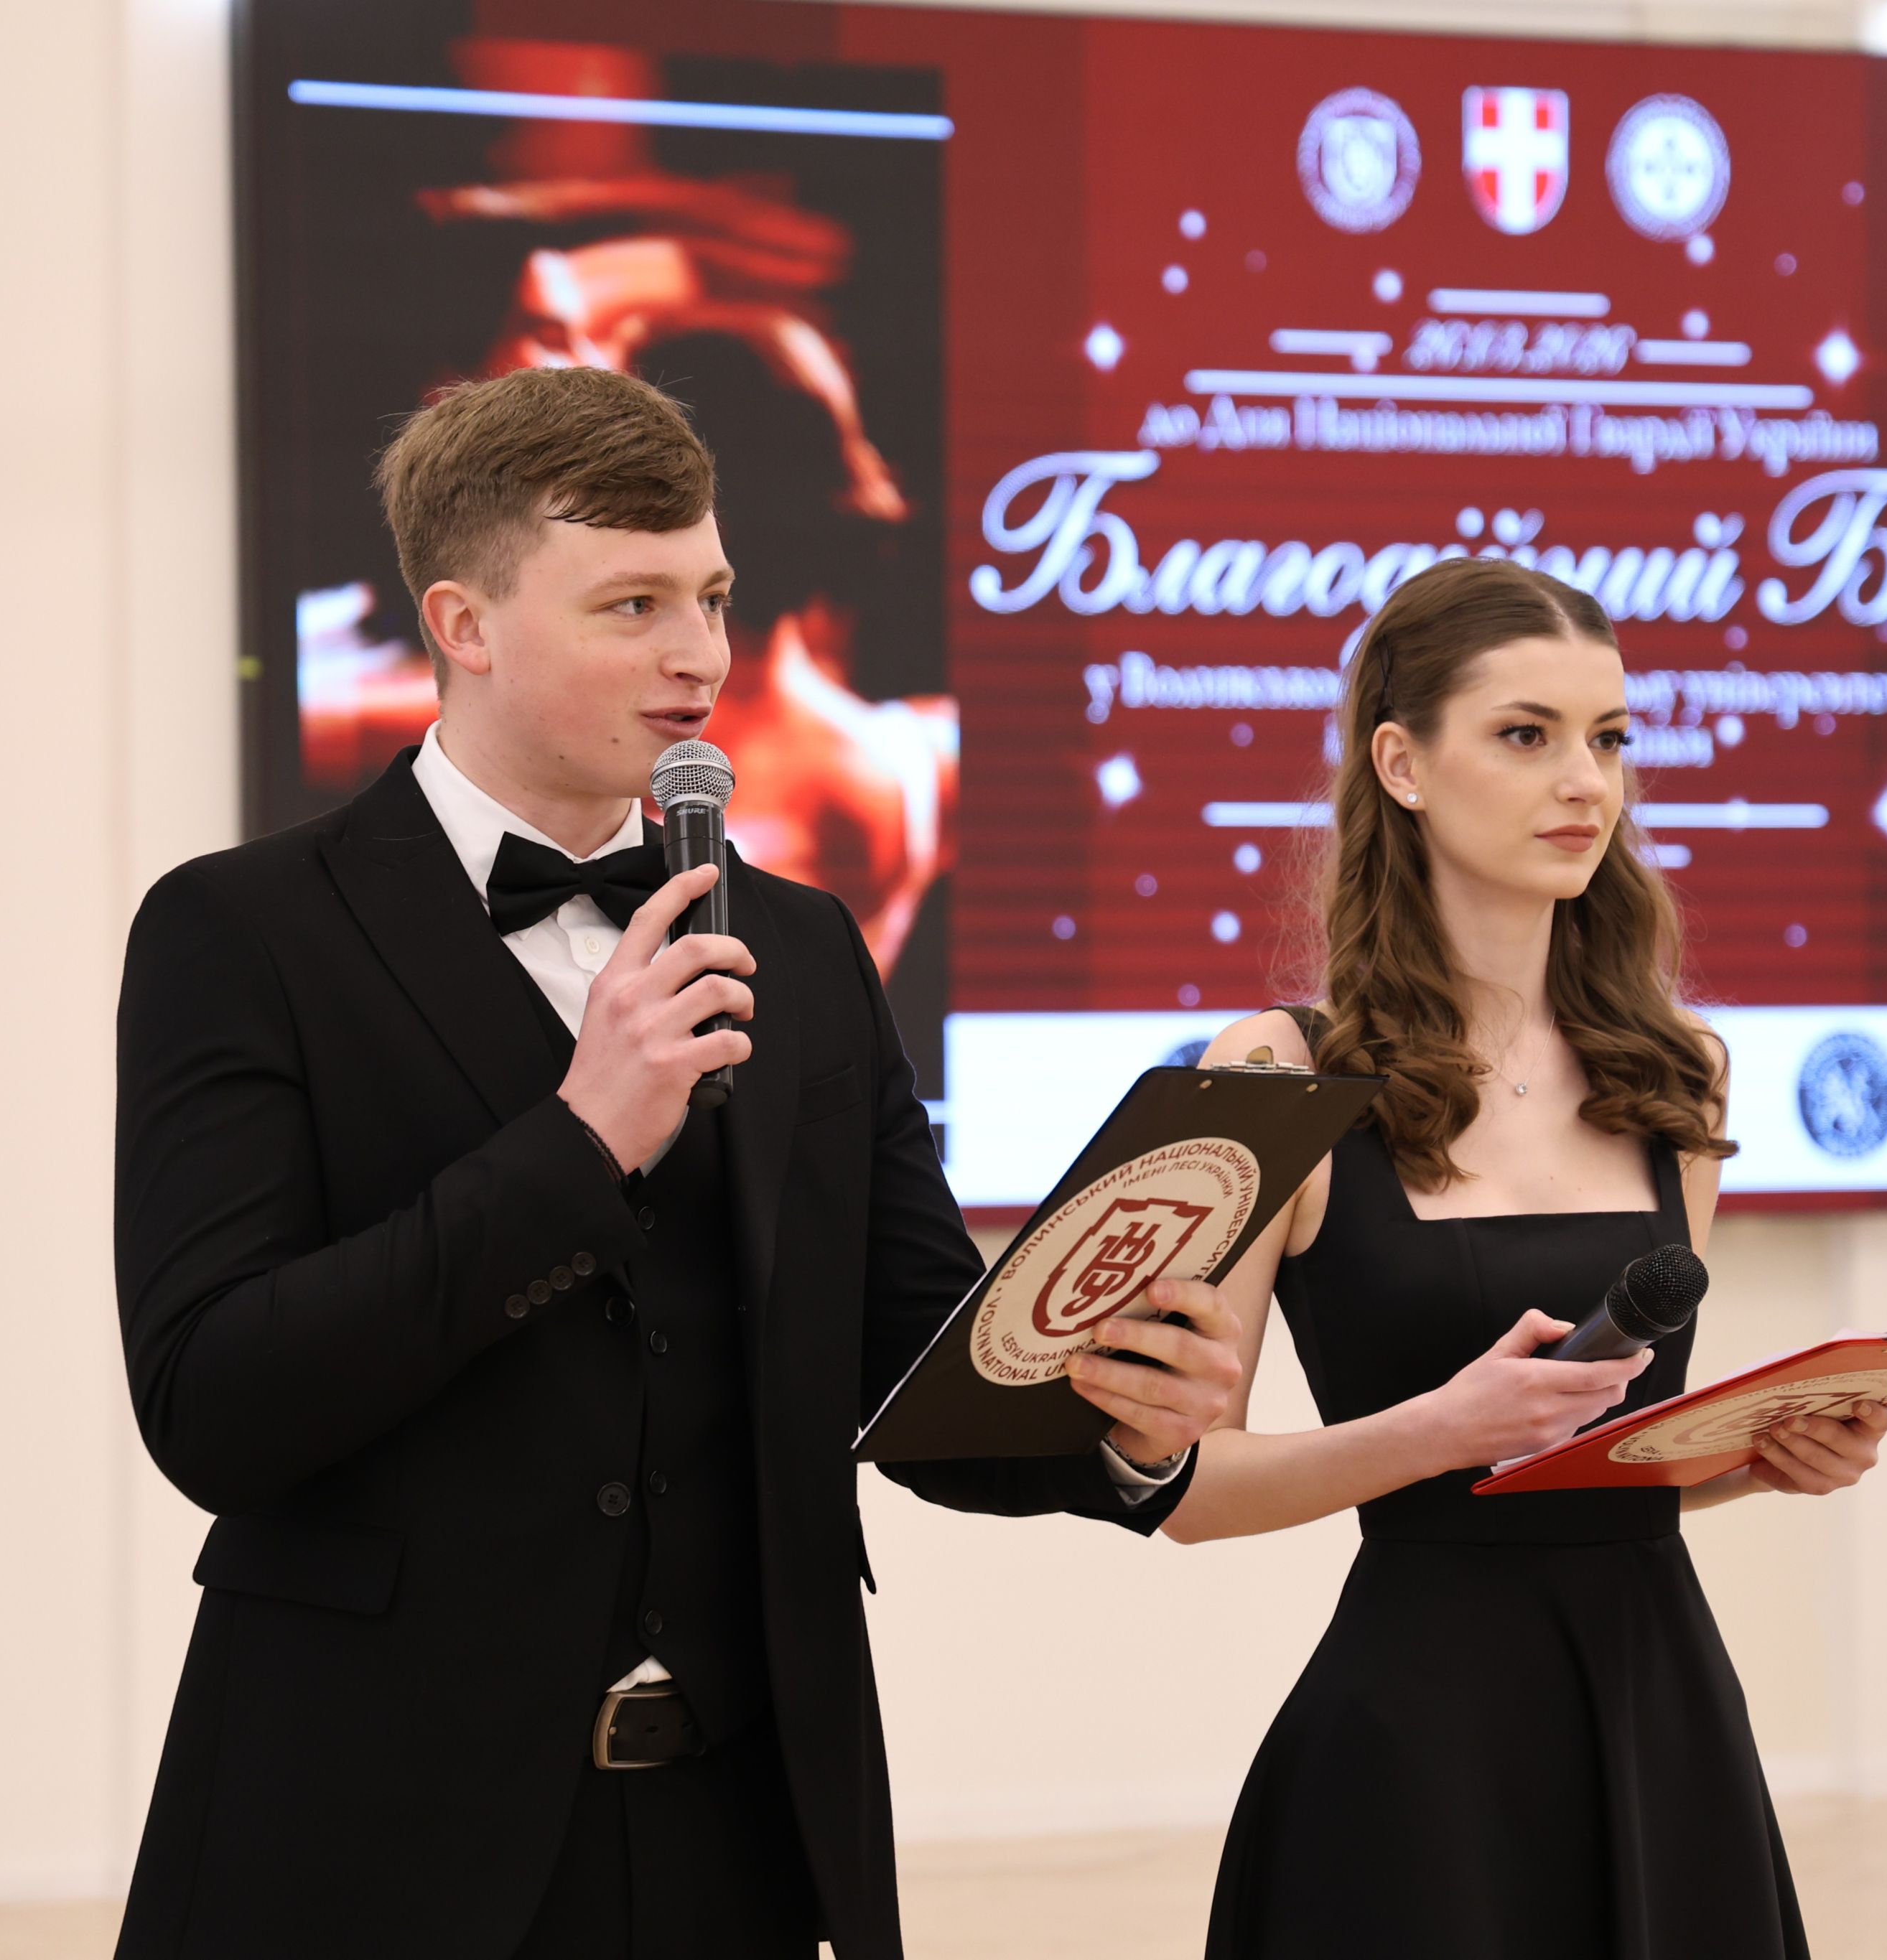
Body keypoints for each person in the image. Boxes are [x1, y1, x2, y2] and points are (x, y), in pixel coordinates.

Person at [108, 365, 1244, 1960]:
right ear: (463, 623)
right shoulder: (242, 932)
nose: (701, 654)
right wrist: (578, 1144)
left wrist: (1112, 1414)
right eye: (632, 604)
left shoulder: (805, 945)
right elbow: (212, 1399)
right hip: (370, 1826)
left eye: (711, 596)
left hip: (739, 1836)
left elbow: (910, 1367)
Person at [1106, 558, 1887, 1959]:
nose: (1585, 782)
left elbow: (1600, 1474)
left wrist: (1753, 1457)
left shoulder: (1678, 1074)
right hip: (1414, 1753)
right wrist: (1437, 1430)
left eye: (1609, 738)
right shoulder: (1274, 1073)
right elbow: (1182, 1489)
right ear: (1399, 764)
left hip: (1662, 1720)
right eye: (1527, 735)